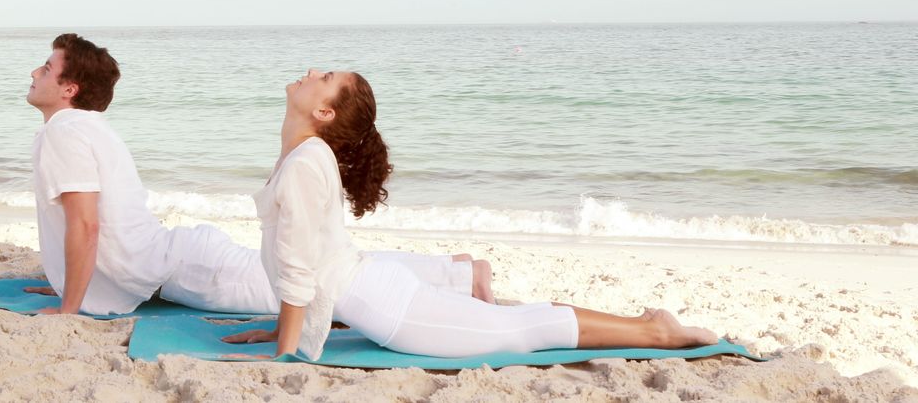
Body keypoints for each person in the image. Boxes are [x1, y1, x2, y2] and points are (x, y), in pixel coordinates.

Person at [223, 69, 719, 360]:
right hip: (373, 289)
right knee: (518, 322)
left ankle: (656, 331)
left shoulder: (305, 163)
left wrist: (286, 352)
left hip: (390, 309)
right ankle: (645, 324)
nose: (312, 73)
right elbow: (304, 262)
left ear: (325, 114)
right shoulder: (301, 156)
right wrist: (282, 329)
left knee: (520, 331)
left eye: (324, 78)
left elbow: (299, 269)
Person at [24, 33, 494, 316]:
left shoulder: (66, 131)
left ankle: (458, 275)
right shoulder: (82, 127)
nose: (34, 72)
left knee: (326, 286)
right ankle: (455, 270)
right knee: (327, 273)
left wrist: (69, 310)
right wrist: (67, 277)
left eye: (46, 67)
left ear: (69, 88)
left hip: (191, 269)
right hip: (181, 261)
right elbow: (91, 224)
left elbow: (87, 225)